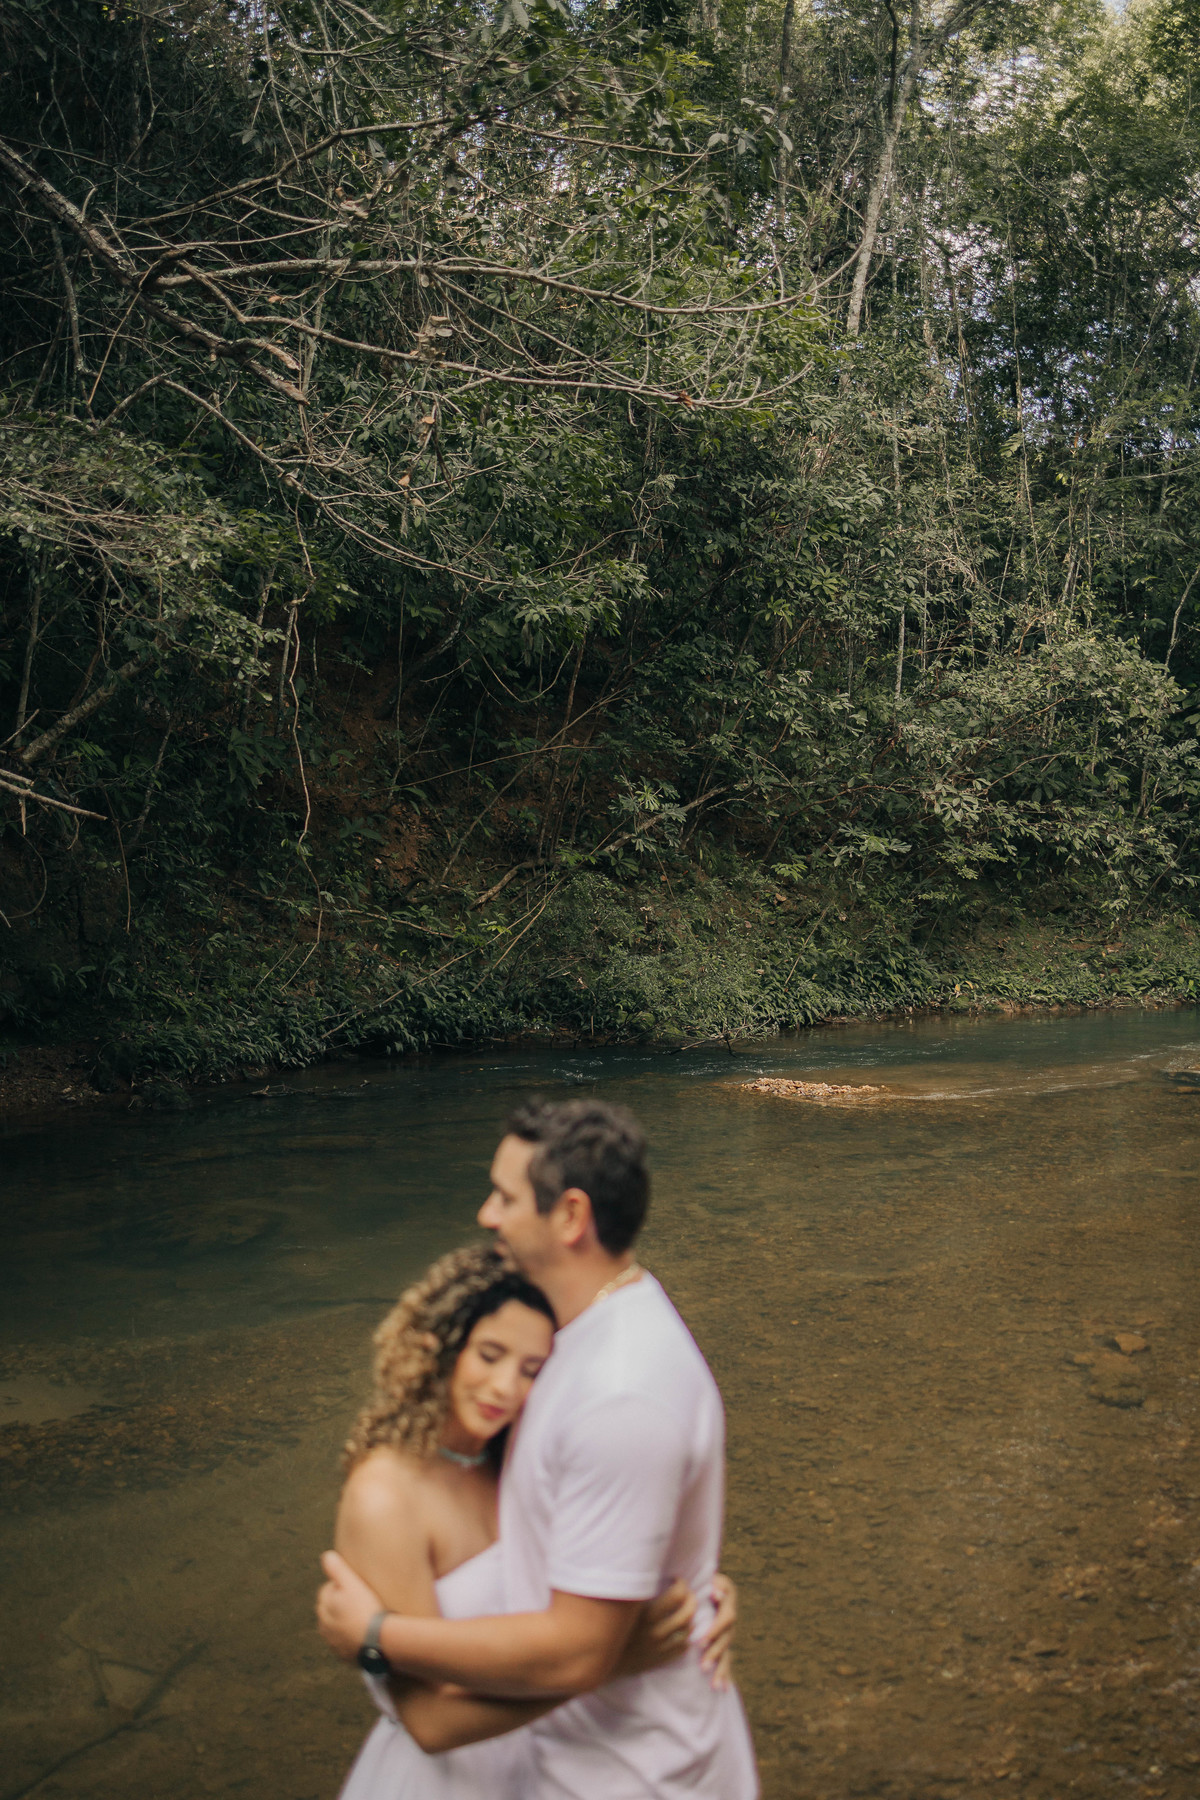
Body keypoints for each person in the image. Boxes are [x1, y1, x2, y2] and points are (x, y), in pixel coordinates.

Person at [320, 1097, 759, 1800]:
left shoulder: (618, 1389)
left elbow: (581, 1649)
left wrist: (376, 1636)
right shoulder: (572, 1340)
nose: (486, 1214)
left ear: (571, 1216)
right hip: (543, 1756)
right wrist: (687, 1574)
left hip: (632, 1776)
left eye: (505, 1196)